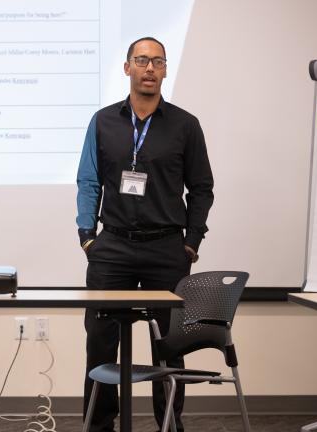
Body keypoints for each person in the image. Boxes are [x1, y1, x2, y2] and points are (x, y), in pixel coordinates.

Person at [76, 36, 214, 432]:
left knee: (169, 347)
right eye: (141, 60)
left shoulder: (186, 125)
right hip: (112, 247)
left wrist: (191, 242)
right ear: (127, 68)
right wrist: (88, 235)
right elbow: (88, 180)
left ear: (166, 69)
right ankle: (100, 425)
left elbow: (202, 187)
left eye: (157, 61)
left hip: (167, 248)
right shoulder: (103, 121)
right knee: (100, 344)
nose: (149, 68)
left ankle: (169, 425)